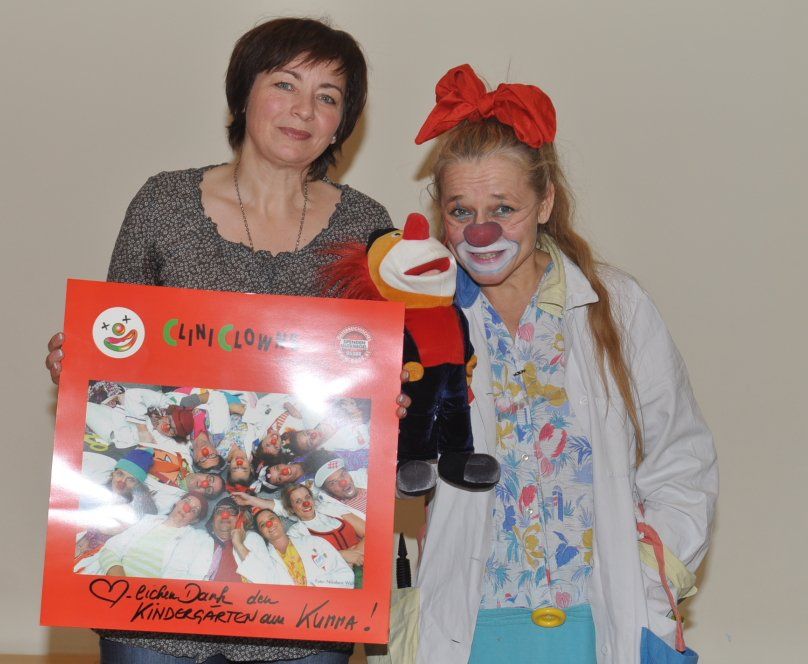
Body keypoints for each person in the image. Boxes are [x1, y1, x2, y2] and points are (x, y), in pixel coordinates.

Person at [44, 16, 410, 664]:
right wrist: (82, 367)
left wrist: (388, 402)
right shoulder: (162, 205)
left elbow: (380, 366)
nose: (304, 110)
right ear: (243, 95)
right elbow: (118, 346)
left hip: (302, 619)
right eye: (285, 84)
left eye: (327, 96)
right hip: (153, 607)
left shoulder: (367, 226)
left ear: (341, 124)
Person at [410, 65, 718, 664]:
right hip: (469, 627)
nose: (482, 232)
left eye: (504, 207)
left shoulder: (616, 306)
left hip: (601, 620)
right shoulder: (424, 322)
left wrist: (655, 573)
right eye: (461, 211)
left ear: (546, 201)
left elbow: (682, 454)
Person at [231, 508, 354, 588]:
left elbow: (346, 575)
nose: (269, 524)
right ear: (262, 533)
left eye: (272, 519)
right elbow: (263, 581)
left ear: (280, 521)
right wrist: (238, 543)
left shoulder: (314, 542)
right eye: (263, 525)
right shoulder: (266, 562)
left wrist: (315, 586)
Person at [96, 493, 211, 579]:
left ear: (195, 520)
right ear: (177, 502)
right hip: (113, 581)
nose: (187, 508)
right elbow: (110, 550)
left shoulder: (195, 540)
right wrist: (122, 584)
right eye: (186, 501)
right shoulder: (147, 520)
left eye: (194, 510)